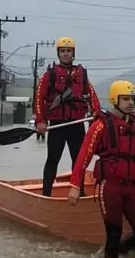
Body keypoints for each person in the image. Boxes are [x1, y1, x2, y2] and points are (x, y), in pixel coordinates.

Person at [68, 80, 135, 258]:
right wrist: (74, 184)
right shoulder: (101, 125)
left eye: (133, 99)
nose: (130, 103)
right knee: (113, 233)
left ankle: (123, 251)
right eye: (125, 99)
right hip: (110, 187)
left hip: (133, 188)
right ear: (114, 100)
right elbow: (84, 156)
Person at [34, 37, 100, 196]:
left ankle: (80, 192)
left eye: (68, 51)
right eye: (62, 51)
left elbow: (92, 96)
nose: (65, 54)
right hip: (57, 124)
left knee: (79, 161)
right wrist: (41, 121)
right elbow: (39, 98)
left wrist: (97, 114)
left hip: (77, 124)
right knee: (52, 160)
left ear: (73, 53)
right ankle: (46, 194)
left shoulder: (82, 74)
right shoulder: (49, 75)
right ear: (58, 53)